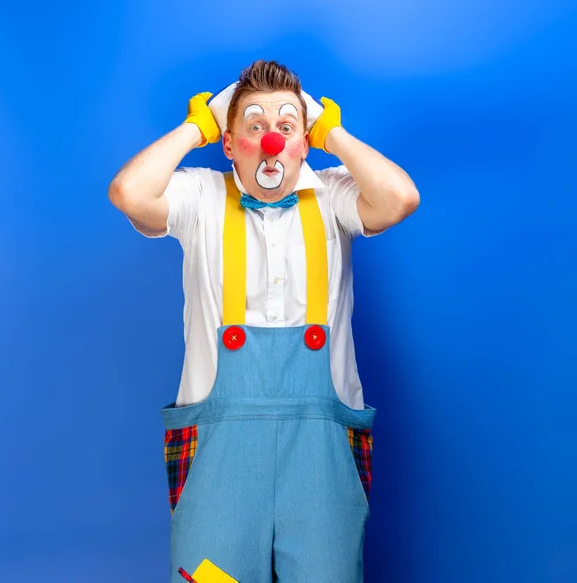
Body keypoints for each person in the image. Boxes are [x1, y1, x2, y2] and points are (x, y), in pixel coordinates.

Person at [108, 59, 419, 583]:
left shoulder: (335, 196)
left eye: (286, 128)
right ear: (229, 143)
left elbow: (400, 199)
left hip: (319, 462)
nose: (270, 141)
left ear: (304, 142)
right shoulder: (199, 196)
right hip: (218, 463)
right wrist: (197, 126)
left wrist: (332, 133)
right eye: (253, 126)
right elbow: (129, 193)